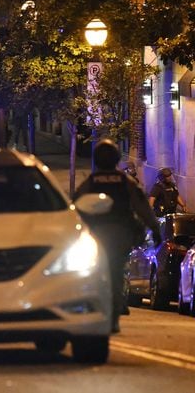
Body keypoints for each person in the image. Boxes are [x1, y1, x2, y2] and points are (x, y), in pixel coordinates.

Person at [72, 139, 161, 333]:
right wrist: (155, 228)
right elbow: (142, 207)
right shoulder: (125, 181)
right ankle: (114, 306)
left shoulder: (91, 182)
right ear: (115, 158)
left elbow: (74, 207)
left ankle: (98, 305)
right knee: (117, 270)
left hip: (95, 236)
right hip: (120, 235)